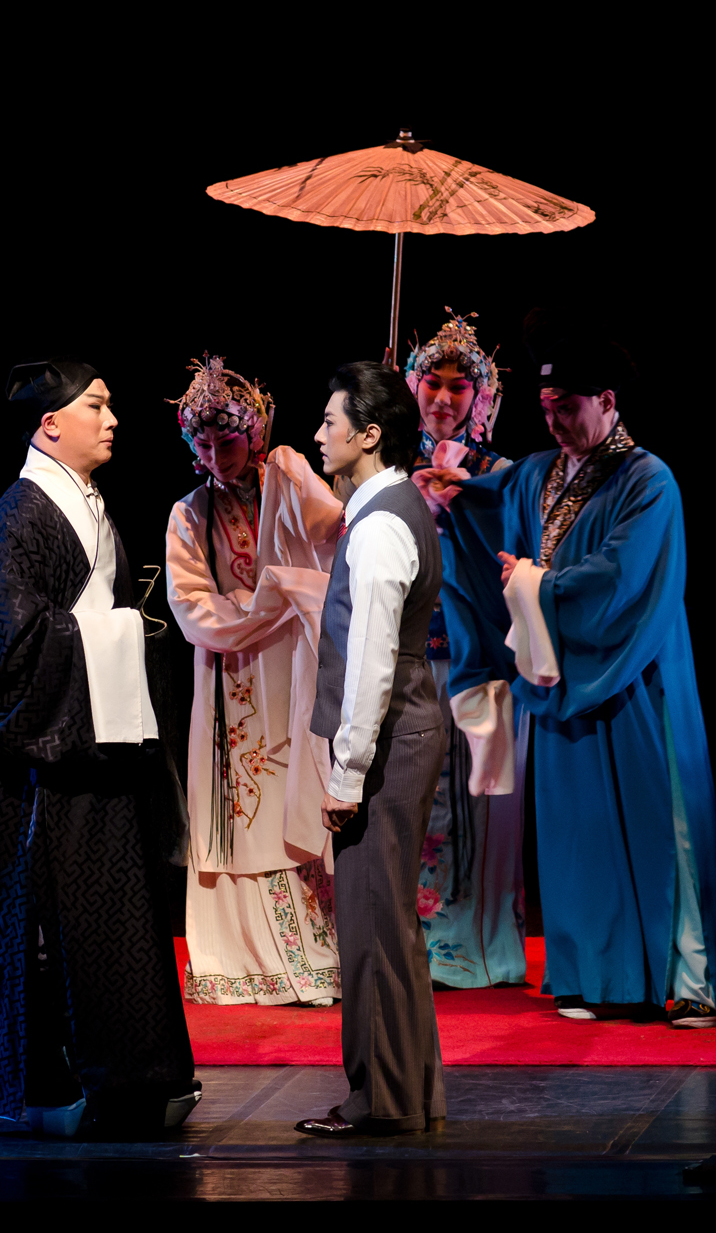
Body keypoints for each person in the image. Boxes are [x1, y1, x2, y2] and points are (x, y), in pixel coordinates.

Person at [435, 323, 716, 1028]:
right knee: (579, 836)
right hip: (561, 677)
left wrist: (535, 583)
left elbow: (623, 576)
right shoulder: (539, 471)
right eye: (546, 408)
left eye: (568, 407)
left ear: (607, 401)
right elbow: (489, 508)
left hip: (634, 674)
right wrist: (453, 494)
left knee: (660, 823)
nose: (555, 422)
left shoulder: (648, 480)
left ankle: (695, 981)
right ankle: (593, 977)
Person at [0, 360, 200, 1138]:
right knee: (53, 929)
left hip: (102, 745)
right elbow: (16, 647)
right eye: (96, 405)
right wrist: (122, 634)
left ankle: (138, 1076)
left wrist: (122, 636)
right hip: (50, 761)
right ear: (50, 423)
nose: (113, 418)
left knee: (121, 920)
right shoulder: (19, 516)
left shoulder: (88, 504)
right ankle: (62, 1082)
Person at [295, 361, 448, 1138]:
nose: (319, 434)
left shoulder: (384, 522)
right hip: (403, 728)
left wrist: (348, 773)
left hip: (390, 739)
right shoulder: (387, 507)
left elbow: (371, 661)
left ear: (369, 434)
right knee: (387, 921)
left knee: (372, 923)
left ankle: (382, 1098)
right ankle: (408, 1091)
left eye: (331, 422)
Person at [164, 357, 345, 1007]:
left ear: (256, 432)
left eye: (229, 441)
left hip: (293, 664)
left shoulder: (288, 480)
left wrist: (282, 596)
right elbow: (191, 606)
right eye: (205, 445)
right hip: (232, 672)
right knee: (243, 810)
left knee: (297, 791)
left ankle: (317, 954)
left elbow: (334, 533)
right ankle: (245, 959)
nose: (217, 457)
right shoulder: (189, 514)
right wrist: (263, 608)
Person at [401, 309, 528, 990]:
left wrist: (465, 506)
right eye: (433, 384)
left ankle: (481, 944)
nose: (445, 398)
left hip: (481, 656)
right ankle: (424, 940)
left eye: (459, 386)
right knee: (424, 799)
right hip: (414, 657)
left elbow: (516, 555)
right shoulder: (394, 471)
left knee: (484, 799)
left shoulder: (503, 473)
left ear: (481, 397)